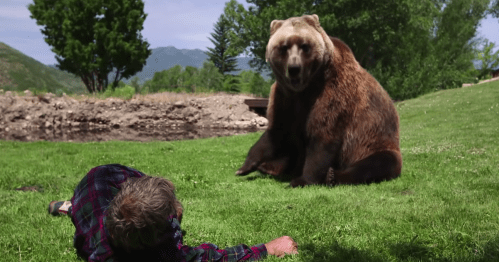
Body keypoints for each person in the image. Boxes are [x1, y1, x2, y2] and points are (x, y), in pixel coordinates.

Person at [48, 164, 298, 262]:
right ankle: (70, 206)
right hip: (94, 187)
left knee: (81, 214)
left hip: (98, 183)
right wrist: (266, 248)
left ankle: (69, 207)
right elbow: (209, 257)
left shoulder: (106, 224)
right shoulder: (163, 255)